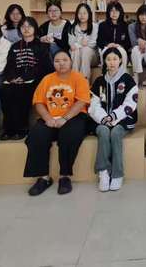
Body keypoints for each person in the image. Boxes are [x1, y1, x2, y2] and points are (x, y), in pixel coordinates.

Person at [23, 50, 91, 196]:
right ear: (53, 63)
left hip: (73, 117)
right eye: (57, 61)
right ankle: (43, 178)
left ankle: (64, 177)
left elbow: (81, 102)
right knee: (36, 135)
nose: (61, 63)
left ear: (71, 62)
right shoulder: (47, 79)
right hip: (51, 117)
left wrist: (65, 118)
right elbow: (38, 102)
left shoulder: (79, 78)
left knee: (69, 134)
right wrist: (48, 118)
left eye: (65, 60)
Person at [89, 48, 138, 192]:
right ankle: (103, 172)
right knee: (103, 131)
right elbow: (94, 104)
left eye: (115, 59)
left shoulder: (128, 79)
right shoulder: (99, 81)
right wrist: (104, 118)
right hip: (102, 120)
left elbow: (130, 103)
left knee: (116, 133)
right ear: (104, 61)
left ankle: (117, 174)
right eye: (108, 59)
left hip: (123, 119)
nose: (112, 62)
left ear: (120, 60)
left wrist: (114, 116)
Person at [0, 16, 54, 140]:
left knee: (22, 91)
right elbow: (9, 66)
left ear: (35, 28)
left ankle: (21, 128)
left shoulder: (42, 46)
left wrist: (25, 77)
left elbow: (45, 67)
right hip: (16, 80)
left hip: (35, 80)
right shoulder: (14, 46)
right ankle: (8, 129)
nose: (26, 29)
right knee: (5, 90)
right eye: (23, 26)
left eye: (29, 26)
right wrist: (12, 78)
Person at [69, 3, 99, 82]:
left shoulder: (95, 26)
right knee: (75, 51)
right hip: (76, 54)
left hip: (92, 57)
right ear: (77, 14)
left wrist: (78, 44)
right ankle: (74, 79)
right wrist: (81, 43)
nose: (82, 16)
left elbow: (93, 43)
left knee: (85, 50)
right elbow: (71, 43)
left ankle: (84, 81)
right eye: (80, 13)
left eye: (84, 13)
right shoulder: (72, 26)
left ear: (89, 14)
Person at [128, 4, 146, 86]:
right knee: (135, 49)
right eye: (141, 15)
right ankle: (136, 76)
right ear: (138, 15)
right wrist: (139, 41)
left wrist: (144, 43)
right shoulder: (131, 26)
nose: (144, 17)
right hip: (136, 49)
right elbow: (133, 42)